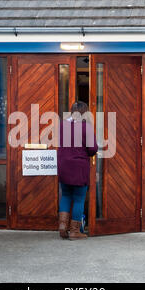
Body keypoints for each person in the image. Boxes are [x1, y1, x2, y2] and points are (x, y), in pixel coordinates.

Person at [57, 101, 98, 240]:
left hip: (63, 166)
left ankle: (62, 226)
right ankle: (74, 231)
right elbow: (93, 149)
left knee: (66, 195)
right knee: (79, 199)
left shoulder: (62, 125)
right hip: (79, 167)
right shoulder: (85, 127)